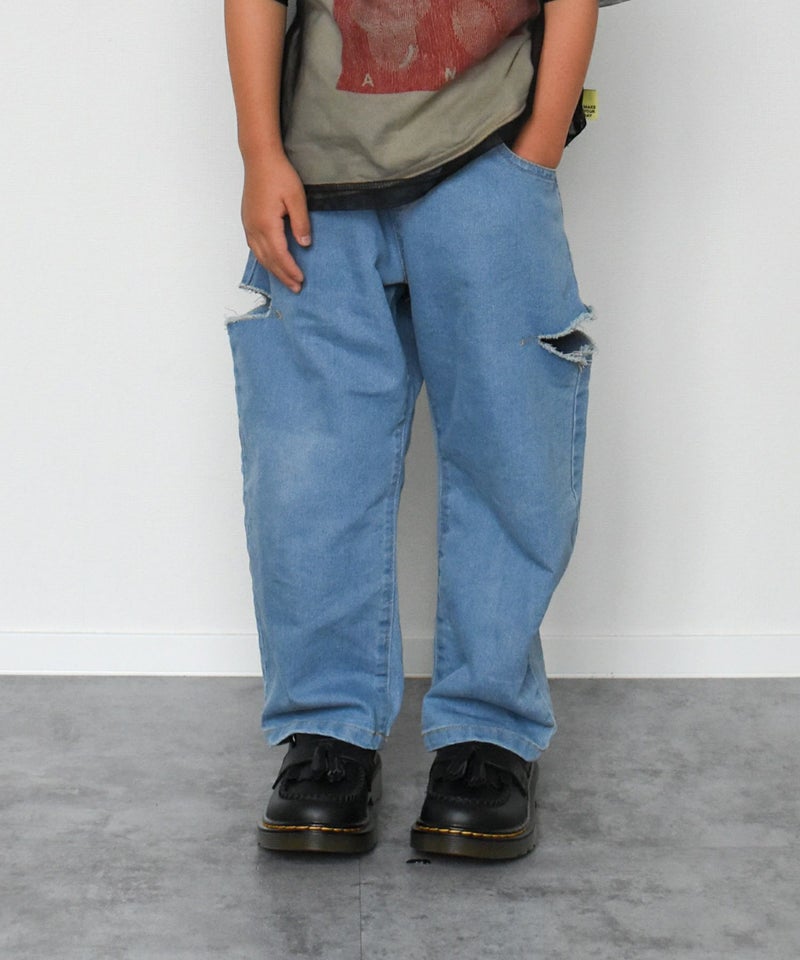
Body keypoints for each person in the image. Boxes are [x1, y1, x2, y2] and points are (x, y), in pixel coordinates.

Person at [224, 0, 622, 860]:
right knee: (309, 469)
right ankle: (326, 732)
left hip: (488, 155)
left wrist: (537, 152)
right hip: (316, 175)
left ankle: (489, 732)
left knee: (510, 453)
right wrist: (260, 153)